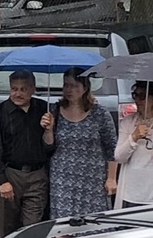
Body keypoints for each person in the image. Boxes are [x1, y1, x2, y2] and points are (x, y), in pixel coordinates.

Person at [0, 70, 53, 238]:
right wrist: (2, 181)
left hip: (37, 175)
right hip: (10, 174)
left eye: (23, 89)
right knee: (7, 230)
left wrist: (49, 130)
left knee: (33, 228)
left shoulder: (44, 109)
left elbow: (50, 148)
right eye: (14, 89)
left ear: (33, 89)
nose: (18, 94)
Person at [43, 68, 118, 219]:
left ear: (85, 88)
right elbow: (48, 146)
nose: (69, 90)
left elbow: (111, 147)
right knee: (63, 224)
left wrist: (111, 178)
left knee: (93, 223)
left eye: (74, 86)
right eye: (66, 85)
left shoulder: (100, 114)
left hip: (93, 178)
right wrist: (48, 130)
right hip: (63, 178)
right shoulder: (55, 110)